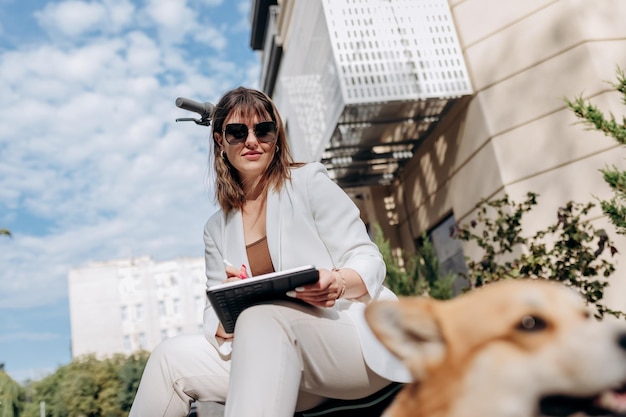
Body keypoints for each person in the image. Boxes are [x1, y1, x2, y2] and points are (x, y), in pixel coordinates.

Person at [129, 87, 410, 417]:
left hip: (349, 344)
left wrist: (337, 281)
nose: (251, 140)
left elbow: (367, 258)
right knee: (168, 357)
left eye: (263, 129)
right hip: (270, 357)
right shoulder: (215, 229)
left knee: (261, 316)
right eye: (237, 132)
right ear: (220, 141)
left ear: (276, 137)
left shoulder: (308, 181)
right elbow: (211, 316)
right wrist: (231, 301)